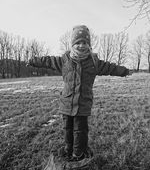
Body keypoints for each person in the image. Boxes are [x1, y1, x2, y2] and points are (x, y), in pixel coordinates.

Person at [28, 25, 130, 161]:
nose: (81, 45)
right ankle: (68, 149)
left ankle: (78, 154)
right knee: (68, 130)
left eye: (85, 42)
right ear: (73, 44)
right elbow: (48, 61)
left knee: (80, 131)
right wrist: (33, 61)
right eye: (78, 42)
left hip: (83, 104)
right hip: (66, 102)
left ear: (89, 45)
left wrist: (124, 71)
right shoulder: (65, 60)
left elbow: (109, 67)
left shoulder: (94, 62)